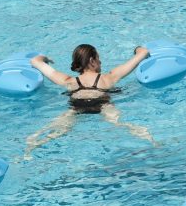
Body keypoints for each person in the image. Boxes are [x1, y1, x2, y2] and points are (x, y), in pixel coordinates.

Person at [23, 44, 156, 158]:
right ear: (92, 60)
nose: (100, 62)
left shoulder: (69, 81)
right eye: (98, 58)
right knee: (122, 124)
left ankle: (30, 147)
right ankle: (152, 142)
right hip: (103, 104)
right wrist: (137, 49)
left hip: (76, 106)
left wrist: (45, 59)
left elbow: (35, 61)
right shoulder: (109, 78)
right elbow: (143, 53)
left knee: (56, 130)